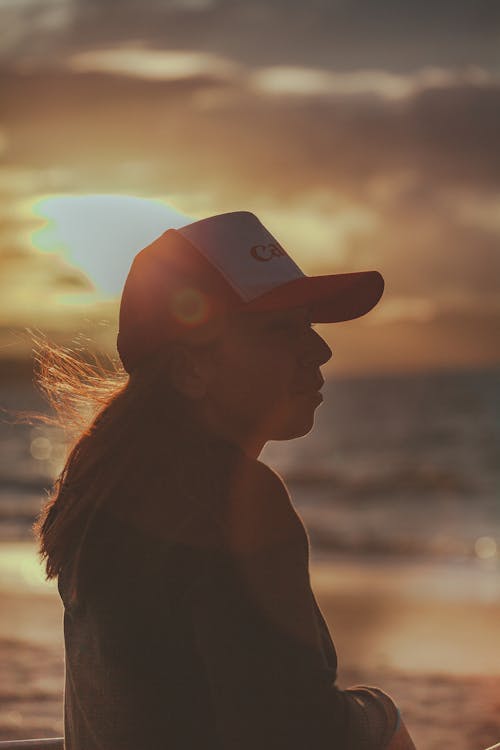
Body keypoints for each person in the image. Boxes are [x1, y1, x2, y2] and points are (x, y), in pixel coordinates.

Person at [35, 210, 417, 749]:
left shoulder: (103, 491)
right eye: (280, 329)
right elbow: (294, 734)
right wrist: (382, 716)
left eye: (307, 323)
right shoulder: (233, 499)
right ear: (191, 369)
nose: (320, 349)